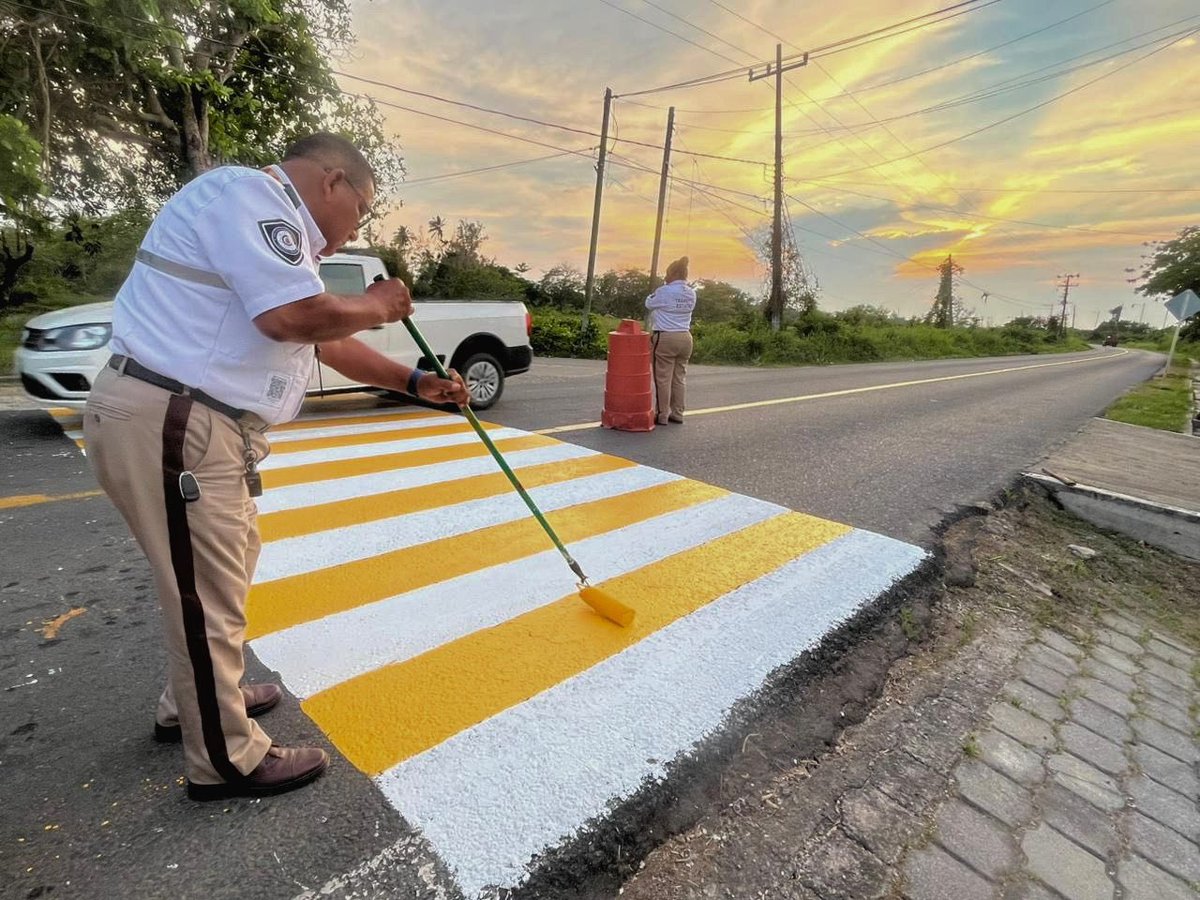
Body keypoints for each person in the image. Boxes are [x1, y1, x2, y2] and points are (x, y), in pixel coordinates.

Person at [83, 132, 469, 801]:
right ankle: (226, 758)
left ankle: (200, 700)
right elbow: (294, 317)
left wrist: (412, 380)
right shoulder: (252, 197)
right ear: (332, 182)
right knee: (206, 592)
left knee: (214, 578)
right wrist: (380, 305)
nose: (354, 232)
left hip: (184, 420)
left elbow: (325, 339)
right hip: (177, 417)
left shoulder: (263, 223)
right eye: (362, 209)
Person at [645, 256, 697, 425]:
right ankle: (678, 413)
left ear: (673, 273)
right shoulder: (691, 293)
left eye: (667, 273)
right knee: (679, 377)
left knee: (663, 378)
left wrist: (656, 291)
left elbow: (649, 304)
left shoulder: (664, 291)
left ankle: (662, 415)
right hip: (685, 338)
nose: (665, 277)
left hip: (666, 336)